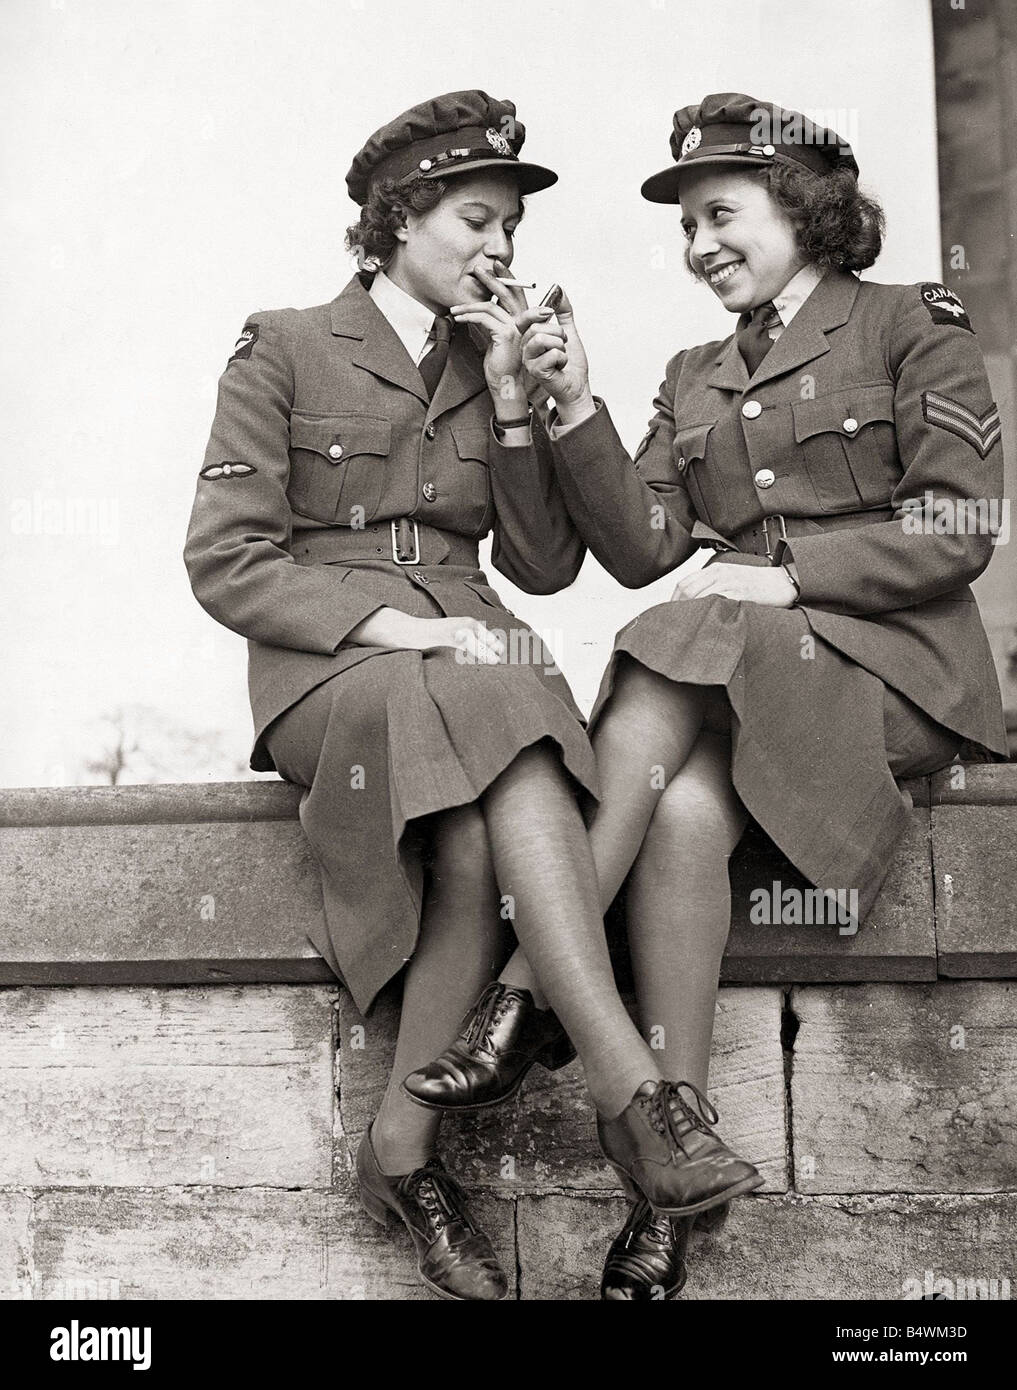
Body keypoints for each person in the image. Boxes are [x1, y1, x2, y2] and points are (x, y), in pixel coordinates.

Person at [404, 92, 1008, 1300]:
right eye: (689, 229)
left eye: (720, 215)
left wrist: (787, 575)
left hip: (898, 684)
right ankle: (665, 1192)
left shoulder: (909, 323)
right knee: (680, 813)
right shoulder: (692, 372)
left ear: (804, 210)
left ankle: (527, 995)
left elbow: (962, 524)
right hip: (739, 690)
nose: (701, 248)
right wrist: (566, 398)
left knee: (695, 625)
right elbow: (635, 549)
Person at [184, 89, 761, 1303]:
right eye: (478, 220)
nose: (503, 250)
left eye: (511, 229)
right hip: (336, 669)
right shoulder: (283, 341)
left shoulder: (476, 353)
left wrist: (518, 401)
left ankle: (398, 1152)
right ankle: (634, 1100)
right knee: (509, 700)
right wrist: (404, 626)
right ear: (397, 222)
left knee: (471, 836)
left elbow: (545, 567)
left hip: (467, 670)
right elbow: (226, 560)